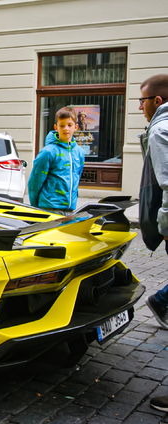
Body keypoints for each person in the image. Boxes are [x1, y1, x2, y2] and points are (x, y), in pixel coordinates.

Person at [138, 75, 168, 413]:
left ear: (156, 101)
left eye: (142, 101)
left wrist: (165, 228)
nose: (141, 107)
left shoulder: (160, 130)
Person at [27, 107, 85, 215]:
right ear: (56, 127)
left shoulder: (79, 153)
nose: (65, 128)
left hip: (70, 209)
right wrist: (35, 208)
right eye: (62, 125)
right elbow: (35, 182)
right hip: (49, 208)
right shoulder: (48, 152)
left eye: (69, 125)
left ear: (76, 127)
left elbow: (76, 177)